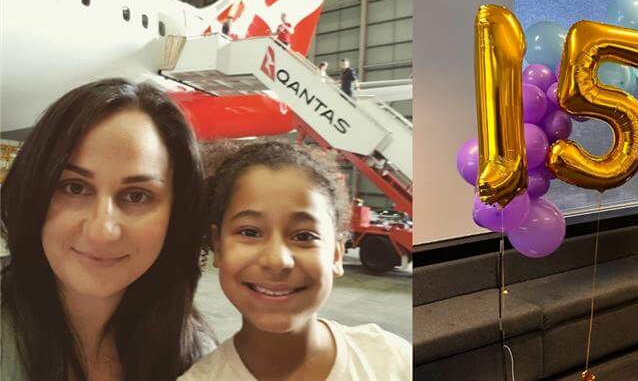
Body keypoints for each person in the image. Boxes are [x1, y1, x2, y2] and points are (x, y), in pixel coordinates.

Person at [0, 79, 213, 381]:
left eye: (137, 196)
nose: (102, 231)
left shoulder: (198, 359)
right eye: (74, 188)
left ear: (176, 214)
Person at [179, 141, 411, 381]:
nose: (277, 260)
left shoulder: (394, 362)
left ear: (336, 254)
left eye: (304, 236)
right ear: (218, 247)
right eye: (250, 232)